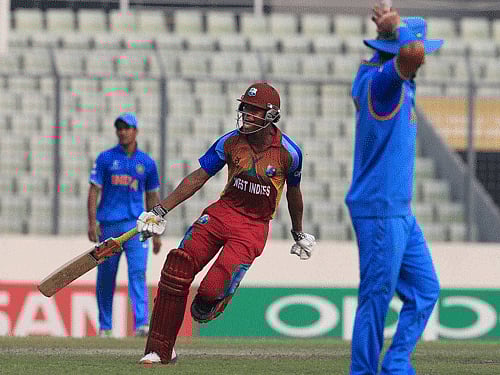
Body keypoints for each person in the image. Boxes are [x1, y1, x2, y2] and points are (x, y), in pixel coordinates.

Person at [134, 82, 316, 364]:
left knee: (206, 296)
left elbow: (294, 193)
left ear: (271, 116)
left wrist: (298, 231)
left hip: (253, 227)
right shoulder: (230, 141)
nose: (246, 115)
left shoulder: (289, 153)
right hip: (222, 212)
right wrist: (159, 210)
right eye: (245, 108)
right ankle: (160, 348)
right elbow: (198, 176)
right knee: (178, 265)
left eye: (254, 111)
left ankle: (219, 295)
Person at [345, 6, 443, 375]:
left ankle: (397, 363)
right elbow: (412, 53)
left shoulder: (384, 77)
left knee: (425, 290)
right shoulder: (384, 82)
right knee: (375, 299)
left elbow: (410, 55)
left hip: (398, 209)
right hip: (381, 208)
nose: (424, 60)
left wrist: (394, 36)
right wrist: (399, 30)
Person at [88, 112, 162, 338]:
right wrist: (92, 222)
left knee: (138, 273)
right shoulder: (105, 159)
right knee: (106, 276)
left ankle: (141, 324)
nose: (122, 132)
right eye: (119, 128)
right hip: (109, 225)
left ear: (135, 131)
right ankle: (105, 327)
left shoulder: (147, 163)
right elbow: (94, 191)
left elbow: (152, 197)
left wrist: (156, 230)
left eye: (127, 128)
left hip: (136, 227)